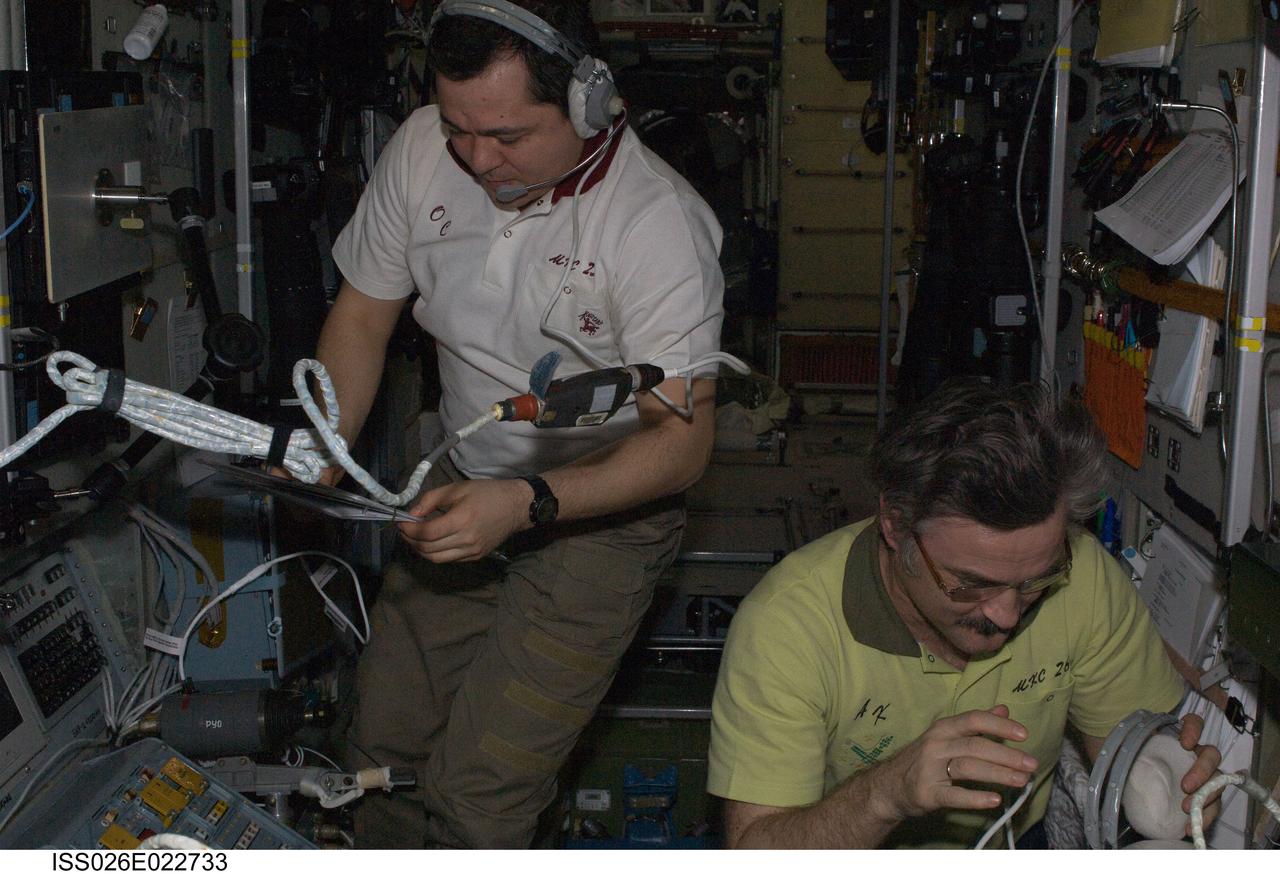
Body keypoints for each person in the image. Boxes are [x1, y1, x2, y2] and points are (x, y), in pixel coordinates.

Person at [319, 0, 724, 848]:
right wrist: (326, 438)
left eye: (506, 135)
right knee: (379, 750)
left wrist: (526, 502)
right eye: (459, 128)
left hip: (602, 515)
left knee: (481, 793)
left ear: (589, 101)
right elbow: (362, 317)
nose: (477, 157)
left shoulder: (655, 225)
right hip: (464, 478)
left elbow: (681, 443)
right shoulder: (426, 149)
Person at [707, 380, 1221, 848]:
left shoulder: (1085, 578)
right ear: (895, 525)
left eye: (1035, 580)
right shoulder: (786, 627)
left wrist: (1171, 781)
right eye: (970, 584)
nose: (1004, 615)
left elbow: (1126, 750)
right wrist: (886, 793)